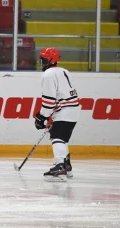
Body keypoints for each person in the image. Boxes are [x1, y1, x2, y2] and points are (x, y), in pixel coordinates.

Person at [34, 48, 80, 182]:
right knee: (62, 138)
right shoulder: (64, 71)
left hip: (64, 110)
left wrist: (42, 116)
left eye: (43, 60)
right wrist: (48, 115)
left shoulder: (48, 74)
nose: (41, 63)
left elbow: (49, 100)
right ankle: (66, 165)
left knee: (57, 137)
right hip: (73, 109)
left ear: (50, 60)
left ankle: (60, 167)